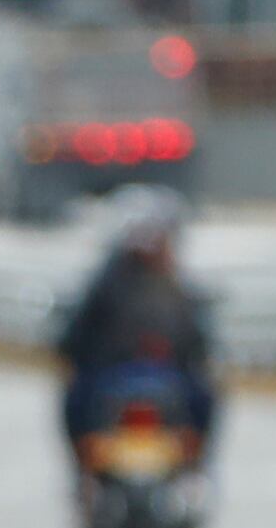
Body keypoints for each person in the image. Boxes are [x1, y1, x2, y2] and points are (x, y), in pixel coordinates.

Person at [52, 188, 215, 452]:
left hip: (166, 376)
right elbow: (75, 335)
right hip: (112, 375)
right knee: (77, 397)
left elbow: (198, 340)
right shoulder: (108, 284)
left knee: (205, 396)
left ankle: (192, 464)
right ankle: (87, 470)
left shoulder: (177, 286)